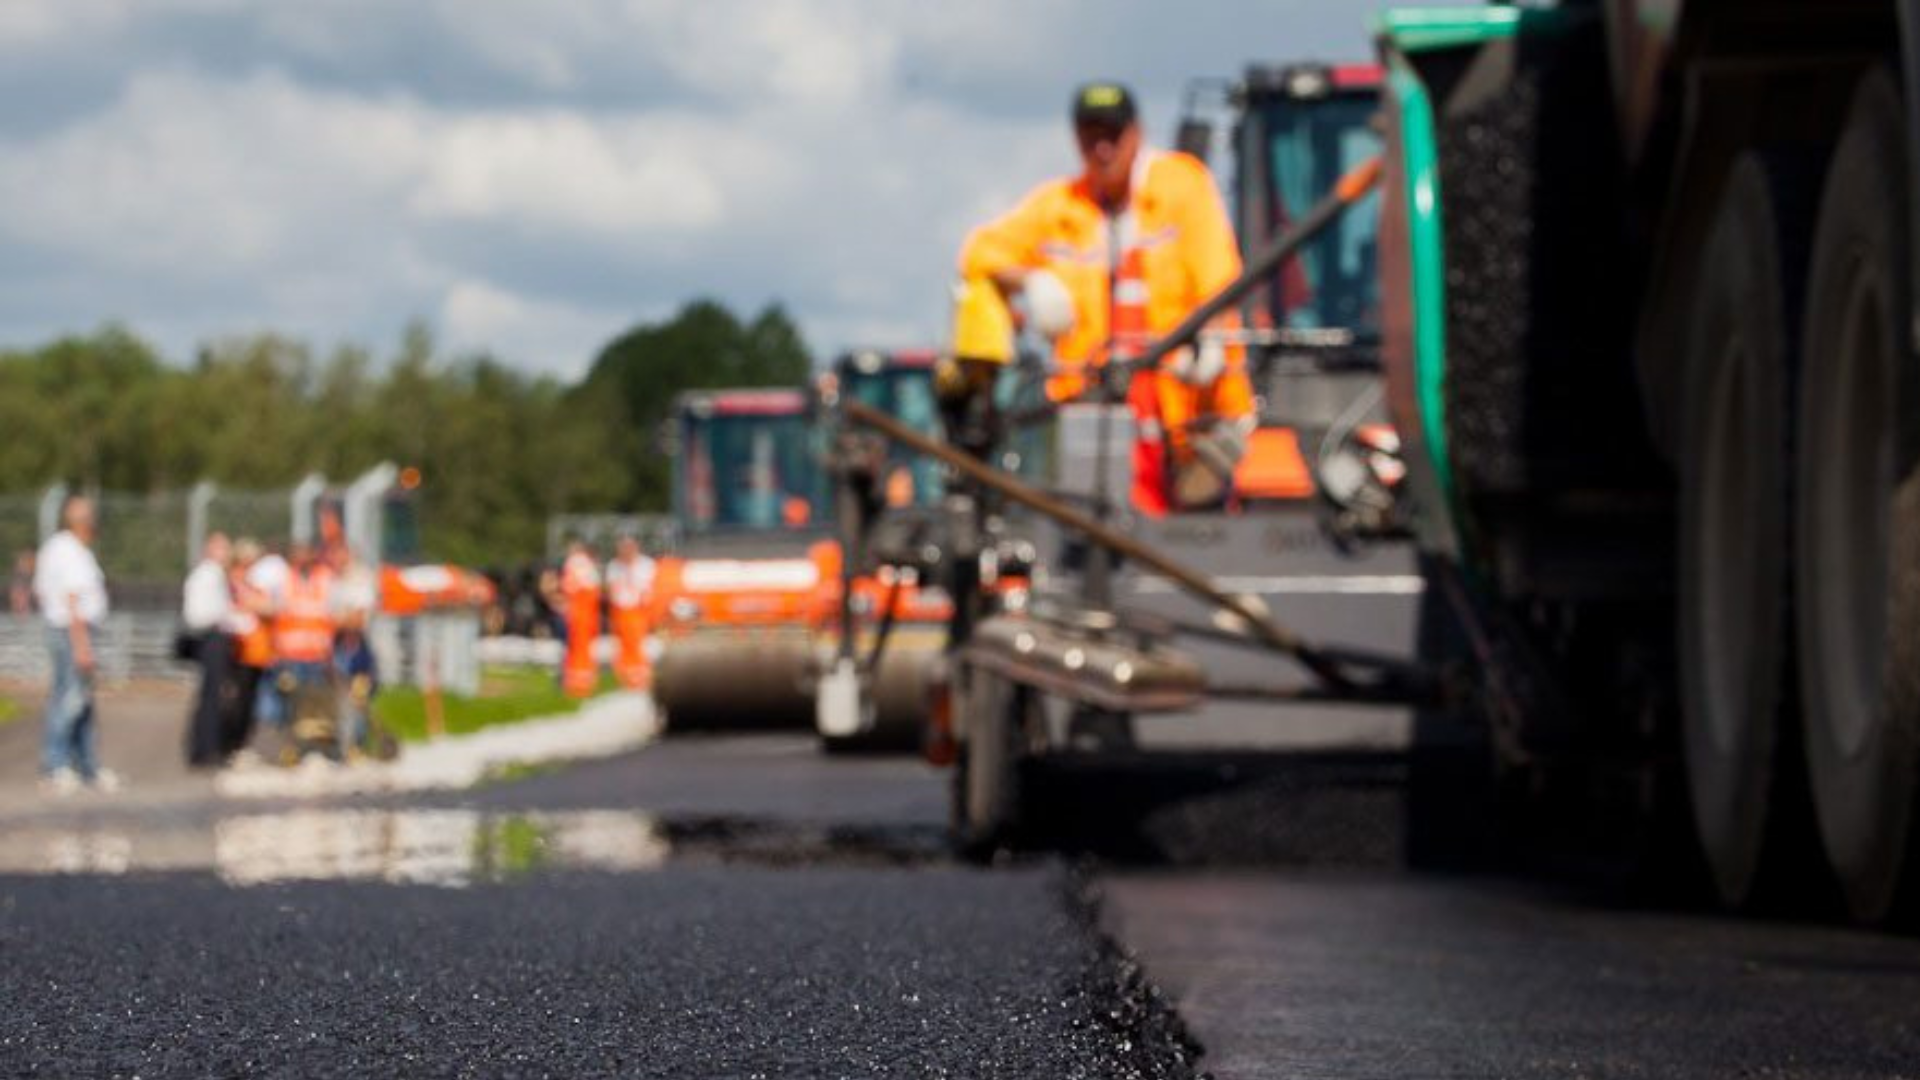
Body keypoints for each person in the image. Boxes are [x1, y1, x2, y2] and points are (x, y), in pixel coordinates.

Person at [957, 81, 1256, 516]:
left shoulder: (1183, 185)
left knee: (1200, 533)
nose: (1102, 149)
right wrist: (1031, 281)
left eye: (1112, 135)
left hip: (1192, 414)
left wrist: (1210, 340)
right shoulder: (1060, 207)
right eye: (1090, 135)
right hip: (1097, 420)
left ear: (1136, 132)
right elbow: (979, 252)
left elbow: (1216, 273)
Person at [32, 495, 118, 794]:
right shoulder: (70, 551)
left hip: (65, 630)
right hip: (72, 631)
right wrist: (82, 645)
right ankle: (56, 765)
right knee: (70, 700)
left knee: (79, 700)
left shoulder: (60, 547)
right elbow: (72, 601)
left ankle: (86, 765)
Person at [263, 542, 335, 741]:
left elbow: (332, 612)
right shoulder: (282, 578)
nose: (302, 558)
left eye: (306, 553)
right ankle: (287, 746)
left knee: (314, 706)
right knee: (287, 704)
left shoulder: (326, 577)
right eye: (297, 553)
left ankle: (313, 746)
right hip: (289, 654)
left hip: (317, 654)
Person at [180, 531, 233, 768]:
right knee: (211, 696)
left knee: (211, 695)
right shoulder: (208, 575)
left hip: (212, 636)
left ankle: (206, 748)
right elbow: (198, 614)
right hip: (210, 637)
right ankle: (206, 750)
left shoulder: (212, 574)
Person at [223, 537, 274, 760]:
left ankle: (240, 744)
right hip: (240, 649)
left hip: (257, 651)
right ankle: (232, 745)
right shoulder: (232, 583)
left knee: (249, 701)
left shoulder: (253, 583)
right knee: (238, 700)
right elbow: (252, 606)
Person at [605, 536, 656, 690]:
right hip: (620, 610)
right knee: (622, 646)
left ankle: (640, 674)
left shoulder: (646, 564)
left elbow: (649, 588)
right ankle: (625, 676)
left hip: (639, 610)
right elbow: (611, 589)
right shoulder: (614, 566)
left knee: (638, 644)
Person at [559, 538, 602, 698]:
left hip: (579, 614)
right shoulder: (588, 566)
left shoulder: (575, 563)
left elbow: (570, 587)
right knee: (583, 648)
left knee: (577, 647)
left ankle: (577, 682)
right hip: (586, 614)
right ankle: (583, 680)